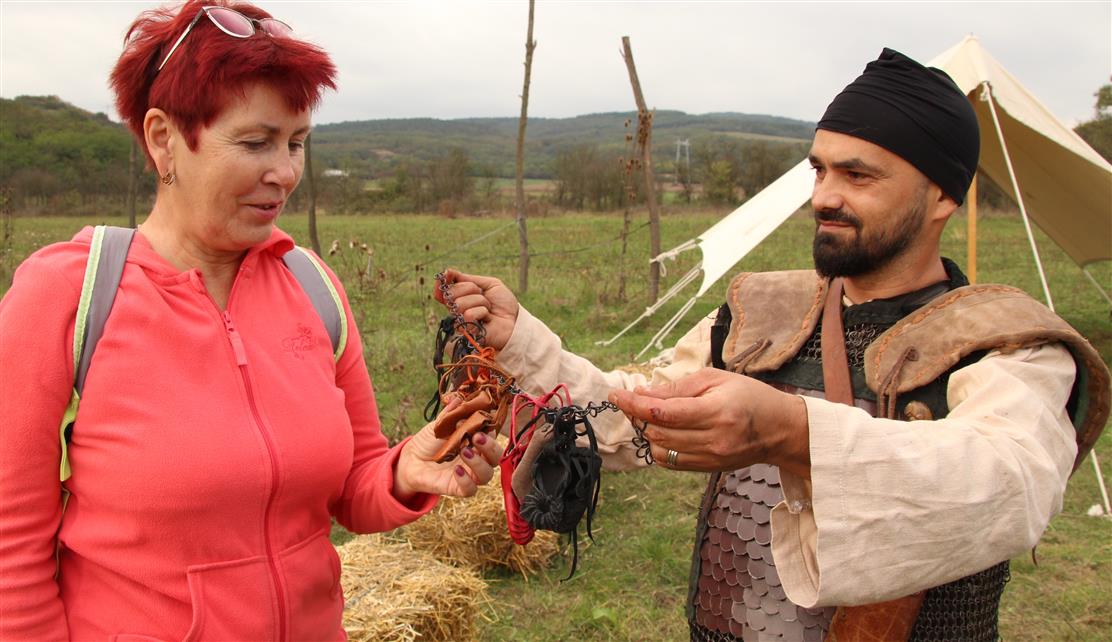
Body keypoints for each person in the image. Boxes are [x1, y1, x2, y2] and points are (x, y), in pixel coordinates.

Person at [439, 48, 1110, 641]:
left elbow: (1009, 482)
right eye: (819, 170)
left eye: (858, 176)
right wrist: (522, 341)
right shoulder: (764, 311)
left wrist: (793, 432)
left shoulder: (1005, 346)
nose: (824, 197)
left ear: (941, 197)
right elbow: (637, 413)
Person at [0, 2, 501, 639]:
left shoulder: (312, 287)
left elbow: (353, 487)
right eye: (256, 142)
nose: (285, 172)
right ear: (164, 138)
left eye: (297, 142)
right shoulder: (68, 296)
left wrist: (406, 472)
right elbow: (9, 545)